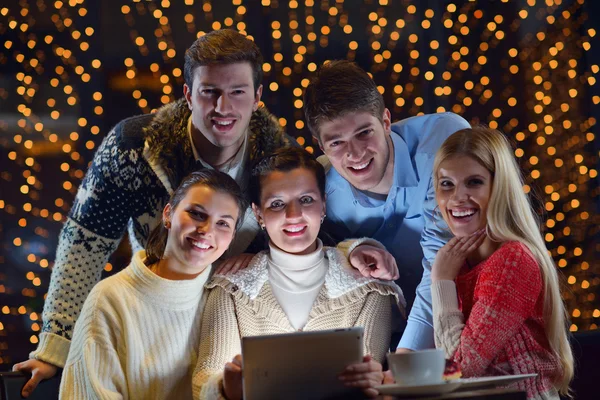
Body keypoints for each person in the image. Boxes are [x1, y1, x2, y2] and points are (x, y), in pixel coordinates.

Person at [13, 29, 294, 397]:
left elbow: (311, 237)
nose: (223, 108)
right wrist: (56, 346)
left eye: (237, 92)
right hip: (152, 320)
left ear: (257, 97)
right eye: (209, 92)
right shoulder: (133, 145)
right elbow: (84, 243)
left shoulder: (280, 162)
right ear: (188, 94)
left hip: (230, 328)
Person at [192, 147, 404, 400]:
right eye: (277, 203)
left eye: (306, 200)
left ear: (323, 204)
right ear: (258, 213)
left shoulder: (370, 287)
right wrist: (225, 389)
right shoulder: (231, 288)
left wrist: (374, 382)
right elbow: (205, 377)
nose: (294, 216)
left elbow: (369, 375)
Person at [303, 60, 471, 352]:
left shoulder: (443, 140)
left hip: (471, 322)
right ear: (321, 146)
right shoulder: (318, 188)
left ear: (385, 121)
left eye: (364, 133)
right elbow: (307, 254)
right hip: (382, 340)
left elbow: (442, 259)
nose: (355, 153)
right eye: (337, 143)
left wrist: (407, 359)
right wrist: (350, 248)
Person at [59, 169, 247, 399]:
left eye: (223, 224)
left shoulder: (230, 295)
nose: (206, 230)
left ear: (231, 239)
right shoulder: (110, 298)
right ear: (168, 214)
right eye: (197, 214)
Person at [429, 126, 573, 399]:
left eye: (474, 182)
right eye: (446, 184)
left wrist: (441, 283)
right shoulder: (455, 263)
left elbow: (460, 371)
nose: (457, 198)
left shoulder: (512, 259)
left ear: (499, 188)